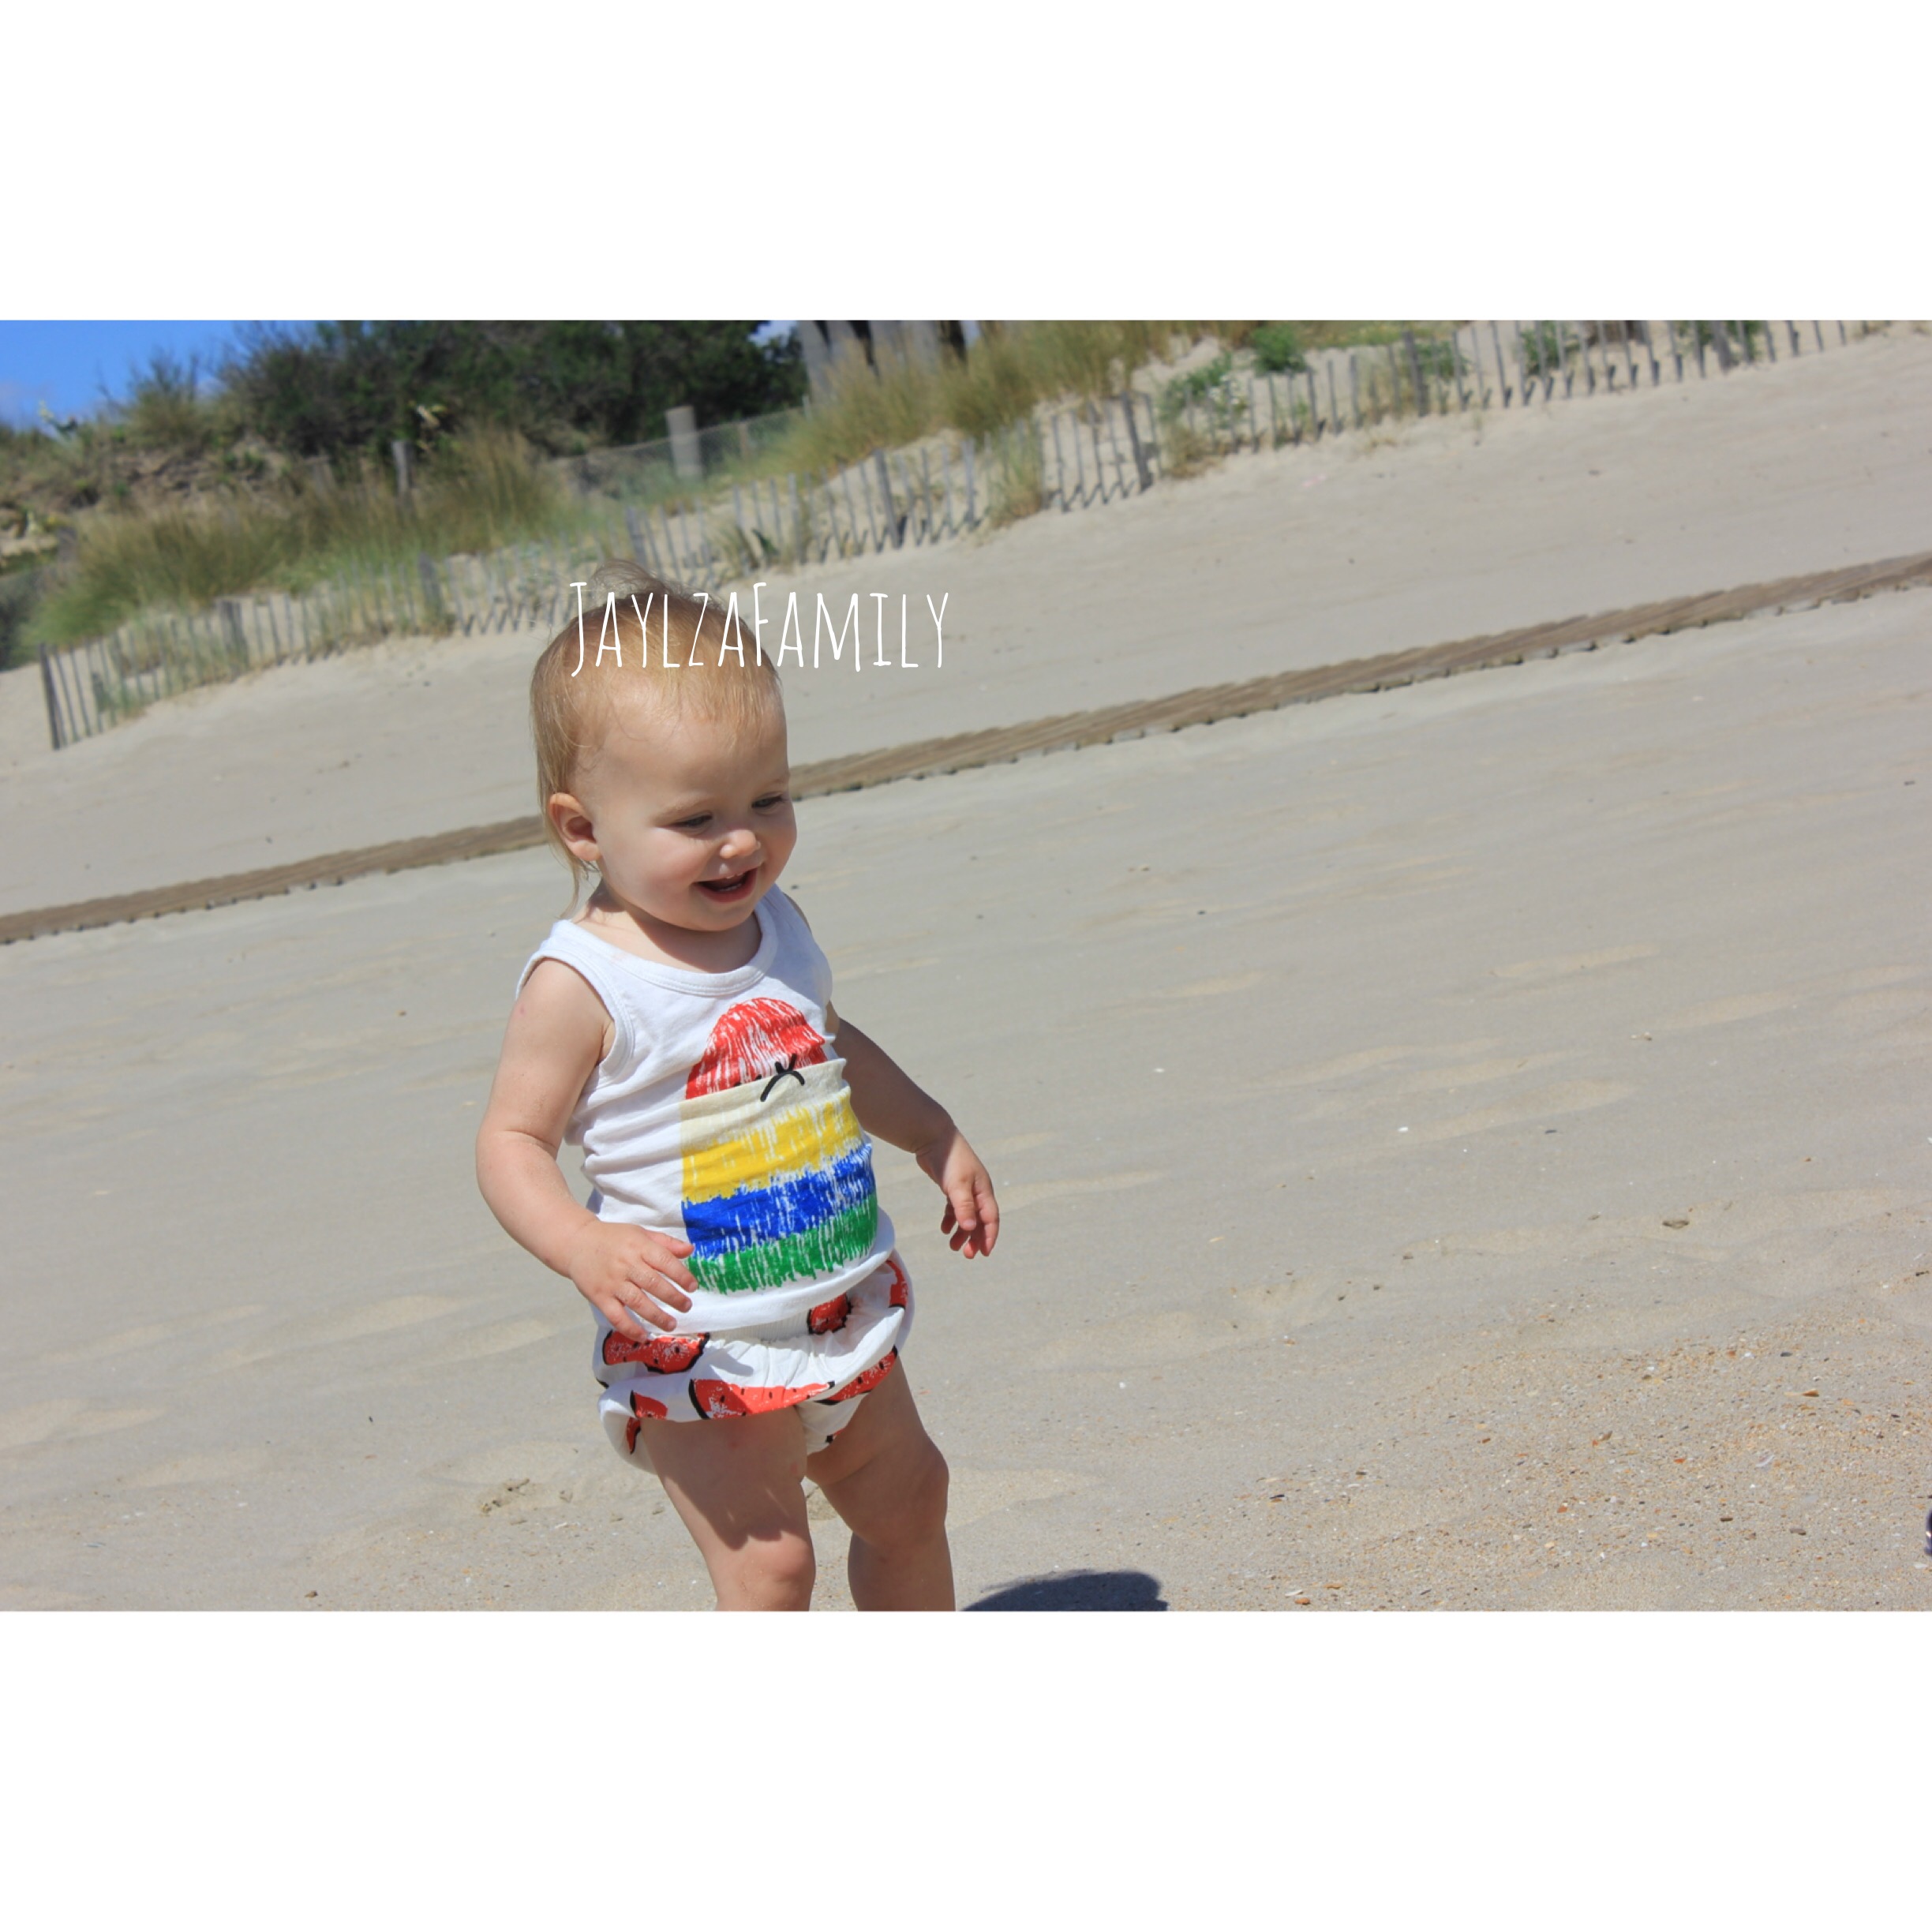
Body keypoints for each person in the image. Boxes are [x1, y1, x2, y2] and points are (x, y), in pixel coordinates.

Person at [475, 561, 998, 1611]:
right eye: (695, 818)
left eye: (769, 798)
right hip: (698, 1335)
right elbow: (510, 1142)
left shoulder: (777, 927)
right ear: (584, 830)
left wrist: (932, 1132)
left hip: (836, 1299)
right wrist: (581, 1245)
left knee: (912, 1503)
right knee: (770, 1569)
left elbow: (828, 1046)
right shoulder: (585, 982)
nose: (744, 839)